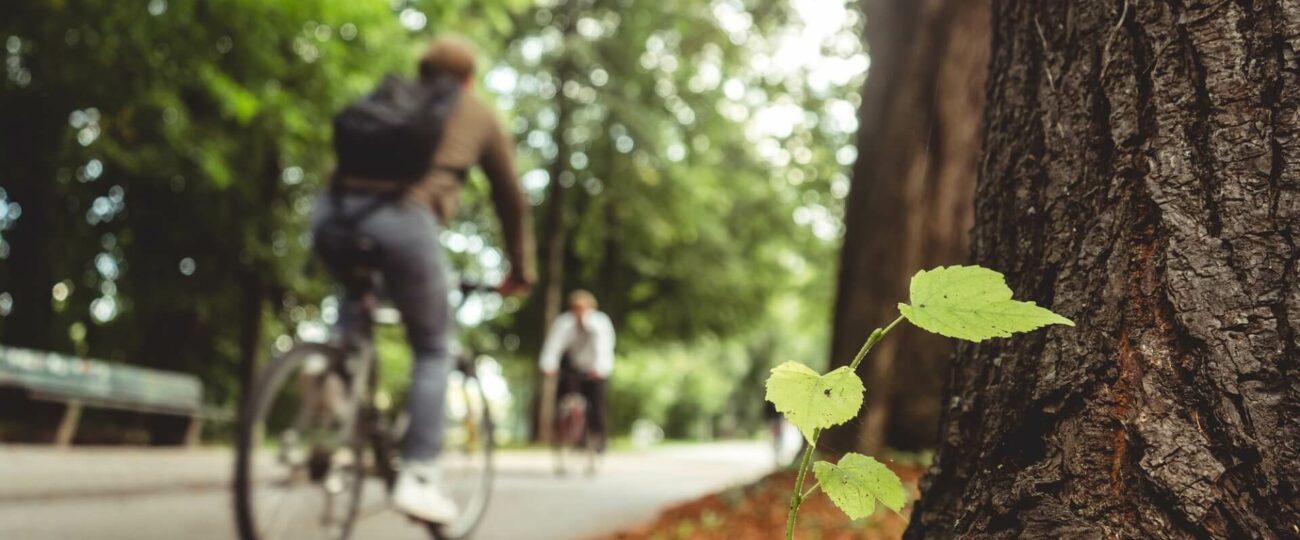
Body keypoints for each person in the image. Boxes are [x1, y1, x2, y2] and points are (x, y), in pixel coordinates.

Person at [310, 36, 534, 524]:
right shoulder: (475, 110)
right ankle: (420, 476)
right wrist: (521, 270)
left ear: (423, 69)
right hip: (403, 221)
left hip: (333, 214)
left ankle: (333, 377)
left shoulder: (392, 95)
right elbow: (510, 197)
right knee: (434, 347)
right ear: (468, 77)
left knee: (358, 302)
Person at [539, 290, 616, 452]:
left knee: (596, 401)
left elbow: (604, 348)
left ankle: (598, 435)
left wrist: (600, 369)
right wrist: (549, 366)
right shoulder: (564, 323)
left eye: (583, 308)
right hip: (574, 365)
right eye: (576, 308)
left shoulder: (600, 323)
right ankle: (561, 429)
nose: (579, 312)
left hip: (595, 367)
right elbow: (553, 346)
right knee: (562, 393)